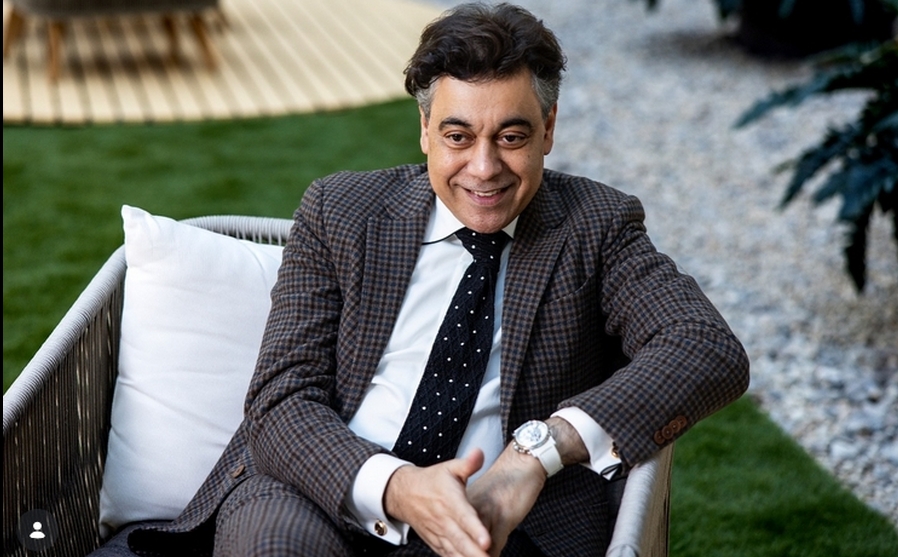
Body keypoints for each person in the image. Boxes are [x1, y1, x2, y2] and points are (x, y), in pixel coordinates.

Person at [125, 3, 750, 556]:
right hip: (320, 487)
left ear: (549, 129)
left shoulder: (596, 225)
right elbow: (281, 399)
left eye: (511, 136)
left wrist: (536, 454)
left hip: (497, 515)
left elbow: (704, 346)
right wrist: (398, 487)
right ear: (425, 130)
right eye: (458, 135)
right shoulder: (340, 211)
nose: (484, 168)